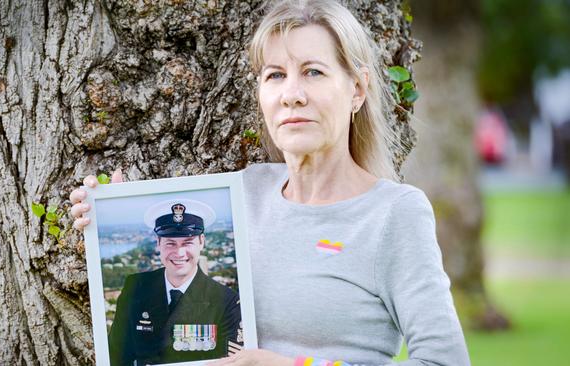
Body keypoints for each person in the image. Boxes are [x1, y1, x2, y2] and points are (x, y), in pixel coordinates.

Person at [70, 0, 471, 365]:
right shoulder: (245, 191)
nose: (291, 95)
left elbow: (445, 360)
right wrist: (108, 212)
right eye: (275, 75)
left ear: (358, 88)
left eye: (313, 72)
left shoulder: (392, 213)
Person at [107, 199, 241, 366]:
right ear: (158, 243)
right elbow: (116, 354)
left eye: (187, 242)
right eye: (170, 243)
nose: (179, 252)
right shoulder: (136, 287)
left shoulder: (226, 301)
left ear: (201, 242)